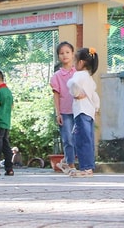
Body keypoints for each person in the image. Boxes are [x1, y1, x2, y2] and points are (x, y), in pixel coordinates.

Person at [66, 48, 101, 177]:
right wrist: (96, 107)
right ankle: (89, 166)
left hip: (81, 111)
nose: (74, 64)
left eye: (75, 61)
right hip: (89, 112)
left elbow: (73, 85)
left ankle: (86, 168)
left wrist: (75, 93)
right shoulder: (89, 78)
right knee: (88, 139)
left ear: (81, 62)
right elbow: (94, 95)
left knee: (81, 139)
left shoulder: (78, 75)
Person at [50, 41, 77, 172]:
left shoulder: (78, 72)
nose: (65, 55)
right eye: (61, 53)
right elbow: (56, 95)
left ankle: (84, 165)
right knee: (68, 139)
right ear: (58, 56)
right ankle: (70, 164)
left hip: (79, 111)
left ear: (73, 54)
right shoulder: (57, 76)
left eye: (67, 52)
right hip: (65, 112)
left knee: (81, 139)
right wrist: (58, 113)